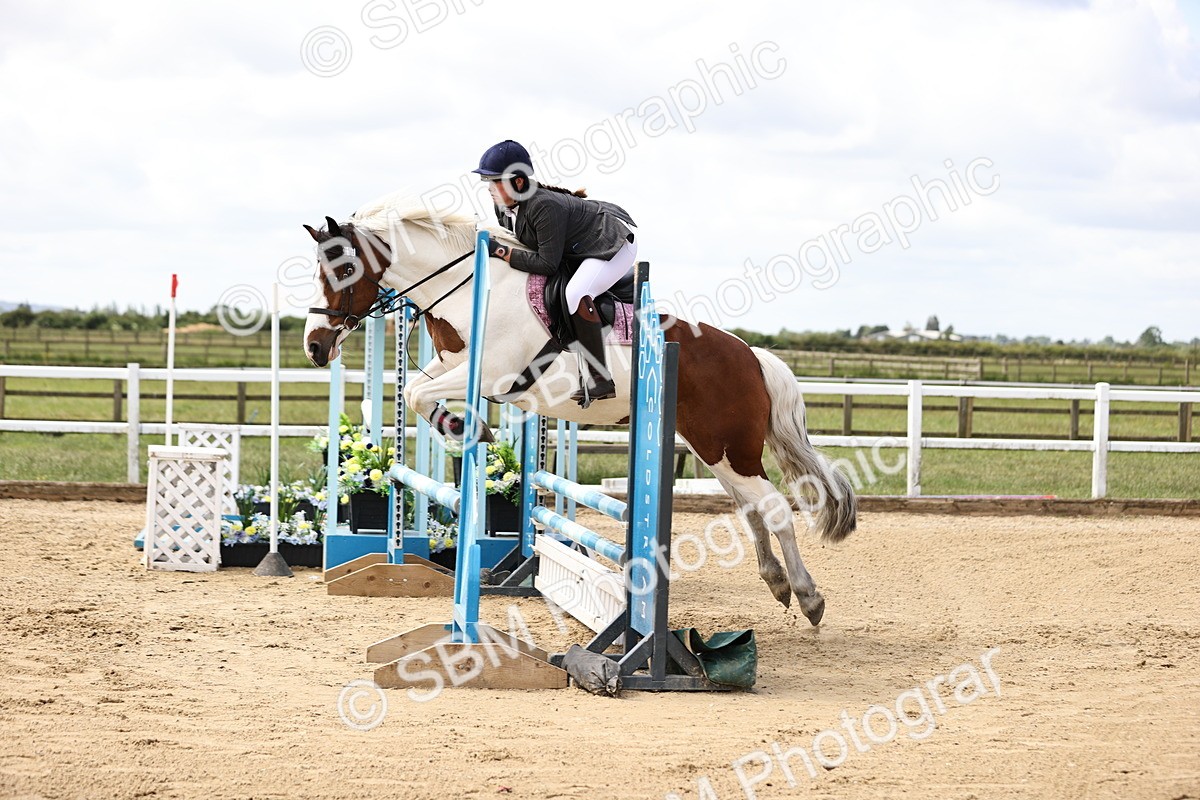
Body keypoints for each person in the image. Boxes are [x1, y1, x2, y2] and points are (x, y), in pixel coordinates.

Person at [472, 139, 638, 407]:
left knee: (576, 293)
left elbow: (547, 264)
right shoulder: (503, 207)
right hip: (576, 248)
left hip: (610, 245)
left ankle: (600, 379)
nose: (490, 189)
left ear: (518, 183)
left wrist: (502, 252)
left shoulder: (543, 206)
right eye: (488, 183)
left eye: (496, 182)